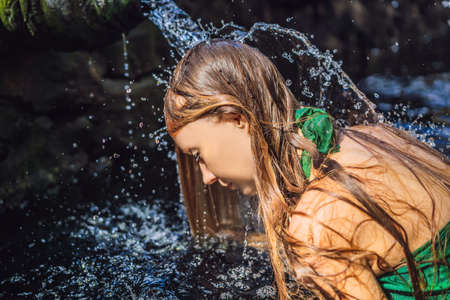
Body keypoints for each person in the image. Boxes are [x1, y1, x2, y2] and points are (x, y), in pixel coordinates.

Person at [163, 39, 449, 300]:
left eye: (199, 154)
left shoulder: (315, 226)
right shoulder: (373, 136)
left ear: (238, 119)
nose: (207, 177)